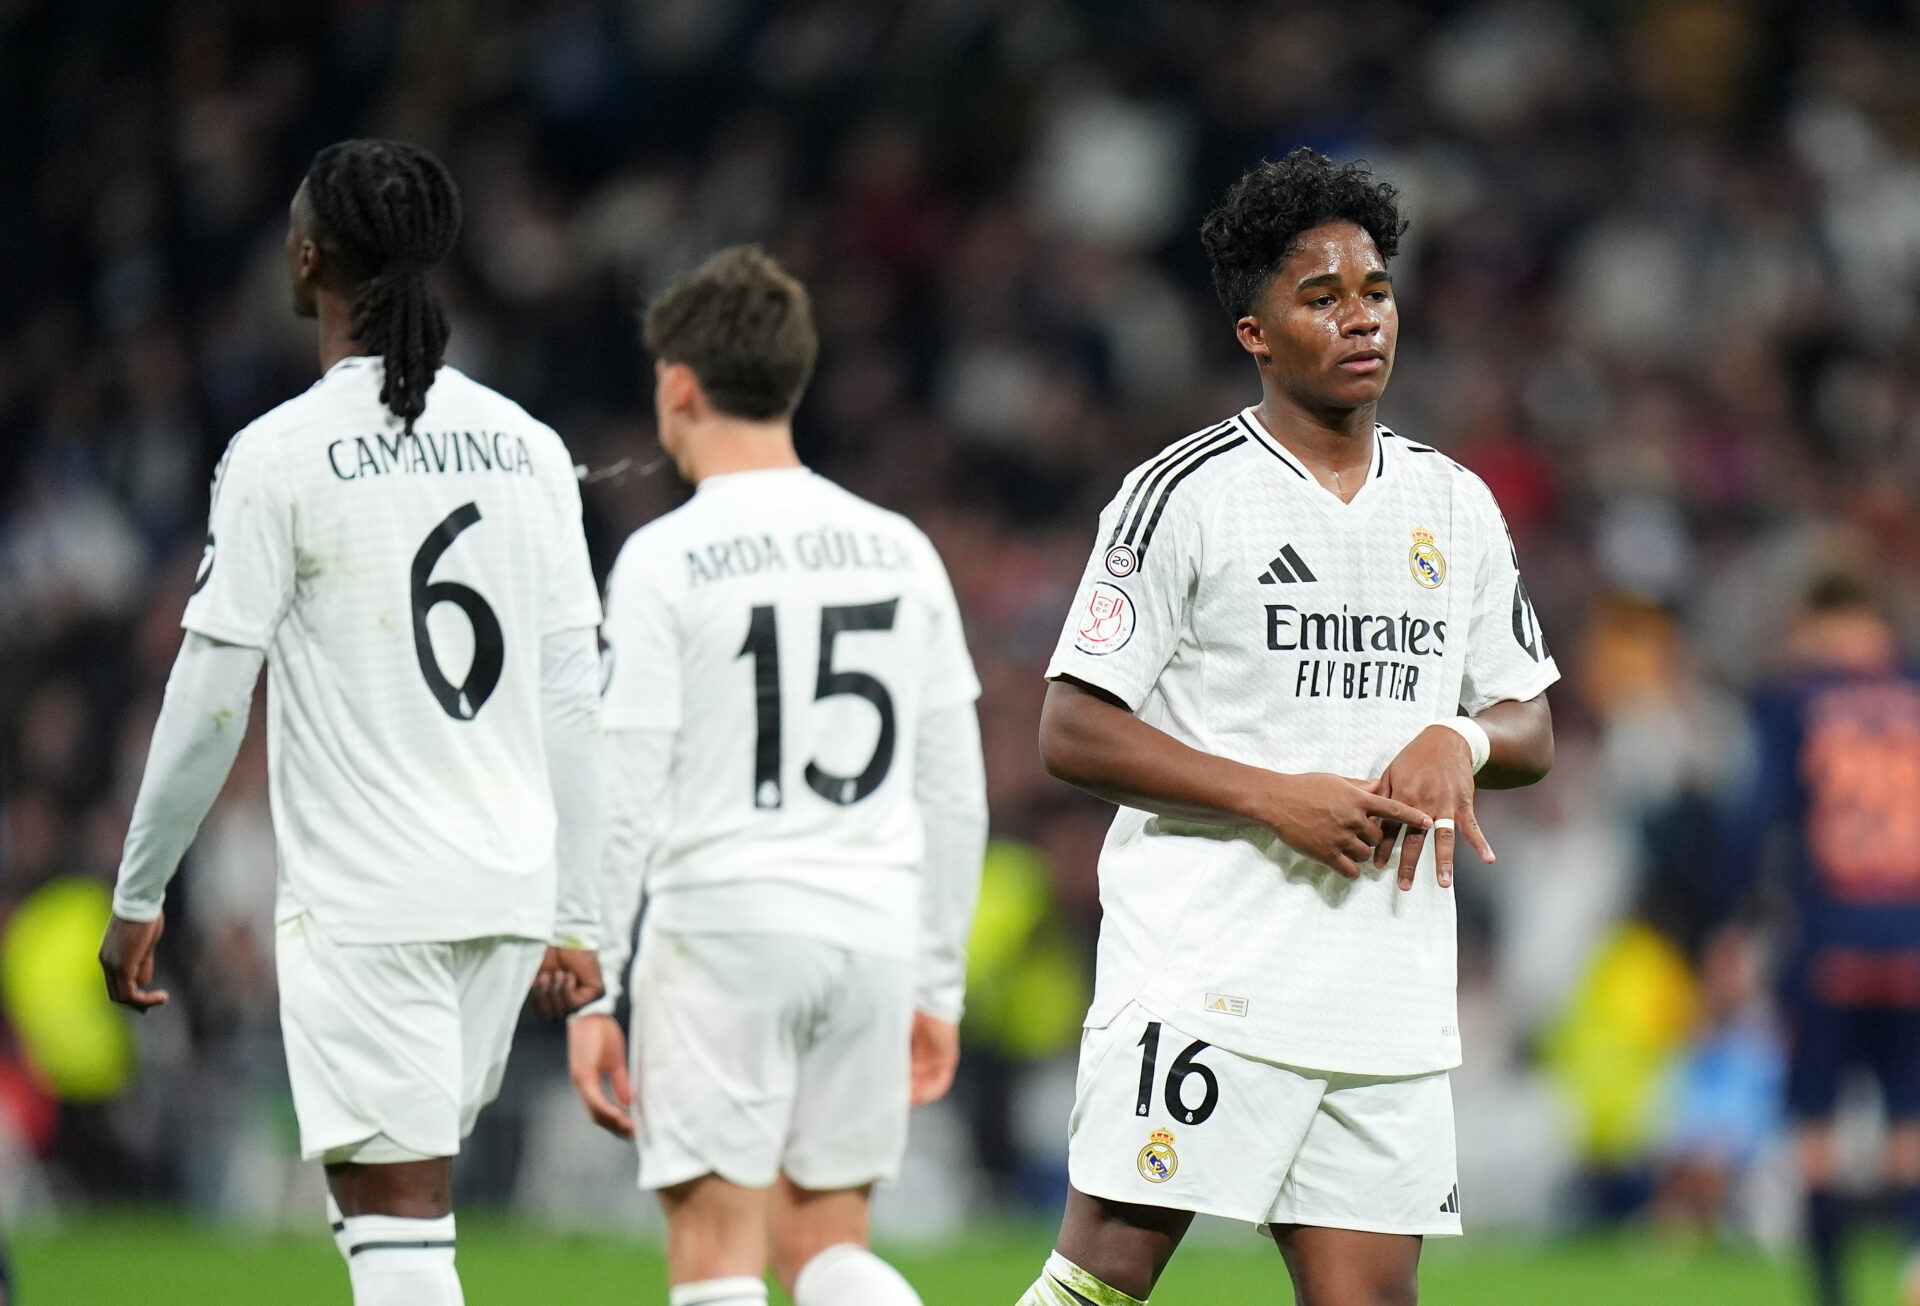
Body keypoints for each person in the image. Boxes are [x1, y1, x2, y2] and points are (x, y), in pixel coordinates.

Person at [1017, 148, 1558, 1306]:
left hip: (1384, 992)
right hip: (1211, 968)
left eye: (1376, 290)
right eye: (1321, 298)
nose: (1362, 319)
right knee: (1101, 1281)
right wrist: (1275, 793)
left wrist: (1457, 740)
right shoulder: (1184, 494)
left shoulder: (1452, 502)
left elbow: (1532, 720)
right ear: (1255, 331)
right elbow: (1071, 727)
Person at [97, 139, 607, 1306]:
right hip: (507, 894)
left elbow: (212, 692)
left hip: (374, 899)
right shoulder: (531, 448)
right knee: (383, 1213)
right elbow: (578, 697)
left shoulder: (278, 455)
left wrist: (139, 891)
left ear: (311, 256)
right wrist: (577, 908)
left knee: (399, 1222)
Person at [566, 245, 988, 1306]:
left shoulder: (665, 556)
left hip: (727, 928)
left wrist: (594, 982)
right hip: (873, 931)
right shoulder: (900, 548)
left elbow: (626, 785)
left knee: (717, 1259)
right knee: (827, 1251)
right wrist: (936, 978)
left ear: (677, 383)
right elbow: (955, 790)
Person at [1719, 573, 1920, 1306]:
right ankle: (1913, 1268)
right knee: (1909, 1123)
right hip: (1913, 935)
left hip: (1831, 936)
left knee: (1818, 1130)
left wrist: (1731, 922)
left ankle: (1833, 1294)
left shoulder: (1797, 699)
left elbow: (1754, 818)